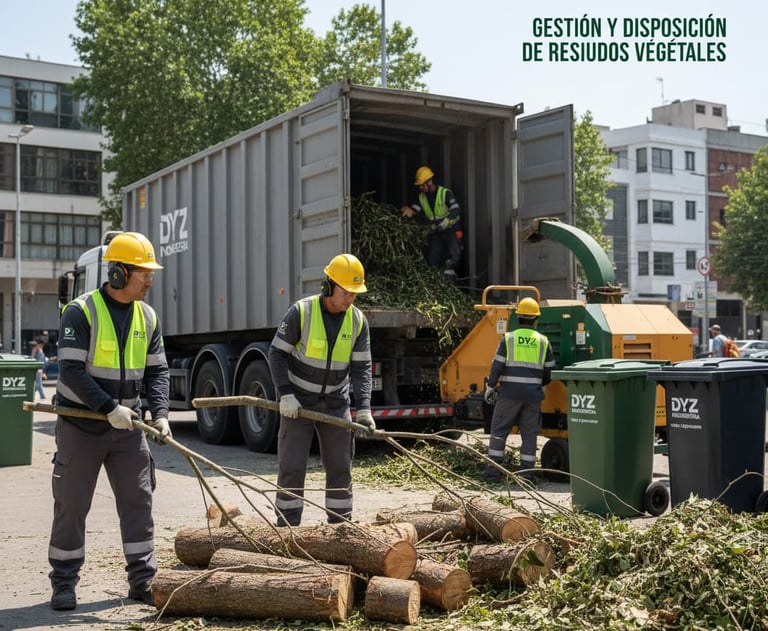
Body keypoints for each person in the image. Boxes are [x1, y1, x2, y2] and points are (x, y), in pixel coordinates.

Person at [48, 232, 171, 611]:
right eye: (143, 274)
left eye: (151, 273)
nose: (150, 280)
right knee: (72, 506)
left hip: (128, 431)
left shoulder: (147, 317)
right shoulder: (80, 311)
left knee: (139, 502)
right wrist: (108, 409)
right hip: (81, 426)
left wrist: (162, 415)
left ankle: (142, 580)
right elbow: (70, 371)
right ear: (118, 273)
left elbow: (159, 373)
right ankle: (64, 583)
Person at [268, 253, 374, 527]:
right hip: (299, 403)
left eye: (354, 293)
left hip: (336, 402)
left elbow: (362, 369)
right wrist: (286, 394)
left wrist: (363, 409)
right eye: (345, 291)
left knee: (340, 465)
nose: (350, 298)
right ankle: (287, 528)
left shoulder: (358, 321)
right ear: (329, 285)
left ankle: (340, 526)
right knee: (292, 466)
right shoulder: (301, 312)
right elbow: (276, 354)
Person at [482, 297, 555, 483]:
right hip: (532, 396)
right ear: (536, 319)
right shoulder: (543, 341)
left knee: (499, 430)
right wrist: (539, 385)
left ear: (518, 316)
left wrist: (490, 387)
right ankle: (527, 476)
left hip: (509, 394)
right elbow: (549, 371)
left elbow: (497, 366)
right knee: (529, 435)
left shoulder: (508, 338)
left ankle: (493, 473)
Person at [400, 166, 462, 274]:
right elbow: (416, 208)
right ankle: (436, 279)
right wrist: (409, 211)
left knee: (452, 259)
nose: (420, 188)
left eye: (422, 185)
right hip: (436, 231)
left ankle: (450, 281)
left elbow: (455, 209)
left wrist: (447, 221)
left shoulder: (445, 193)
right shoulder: (422, 197)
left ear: (429, 182)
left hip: (451, 229)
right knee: (433, 260)